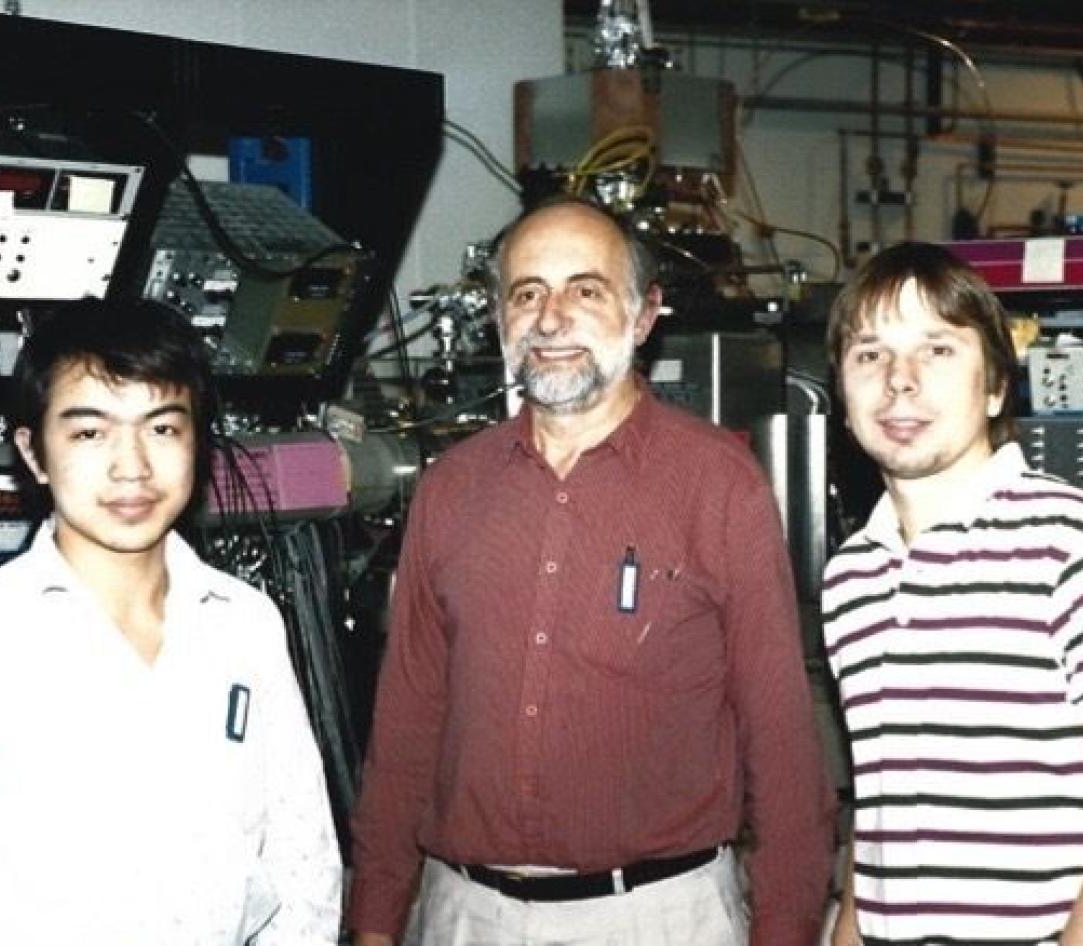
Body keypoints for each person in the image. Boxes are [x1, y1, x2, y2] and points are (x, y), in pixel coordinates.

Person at [348, 197, 836, 946]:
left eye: (585, 290)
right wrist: (377, 923)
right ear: (498, 317)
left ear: (644, 317)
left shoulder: (719, 485)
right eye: (527, 292)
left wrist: (787, 928)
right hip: (465, 917)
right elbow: (407, 724)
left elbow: (780, 742)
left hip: (658, 917)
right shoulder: (452, 488)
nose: (550, 319)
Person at [0, 299, 343, 945]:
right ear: (35, 453)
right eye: (90, 433)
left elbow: (301, 853)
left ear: (198, 446)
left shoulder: (244, 624)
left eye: (161, 428)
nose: (132, 467)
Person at [821, 241, 1083, 946]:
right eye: (870, 354)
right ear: (842, 396)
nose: (899, 382)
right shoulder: (852, 577)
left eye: (937, 350)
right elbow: (877, 837)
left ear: (997, 384)